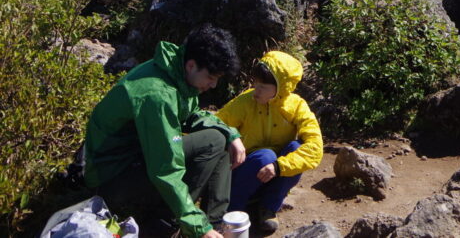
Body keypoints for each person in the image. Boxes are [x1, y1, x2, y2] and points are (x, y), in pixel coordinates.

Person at [84, 25, 244, 238]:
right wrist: (197, 226)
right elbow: (166, 168)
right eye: (211, 77)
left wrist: (230, 133)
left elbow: (191, 113)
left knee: (219, 136)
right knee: (212, 141)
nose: (213, 85)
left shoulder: (176, 73)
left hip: (135, 158)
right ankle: (170, 224)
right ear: (191, 65)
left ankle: (214, 227)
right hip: (112, 179)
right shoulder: (157, 94)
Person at [217, 51, 323, 234]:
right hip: (245, 171)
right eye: (255, 83)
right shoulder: (245, 102)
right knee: (264, 156)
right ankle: (233, 209)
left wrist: (279, 166)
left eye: (262, 86)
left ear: (280, 87)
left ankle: (267, 208)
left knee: (295, 149)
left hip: (274, 172)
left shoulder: (296, 106)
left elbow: (315, 147)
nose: (255, 90)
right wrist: (233, 137)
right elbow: (217, 124)